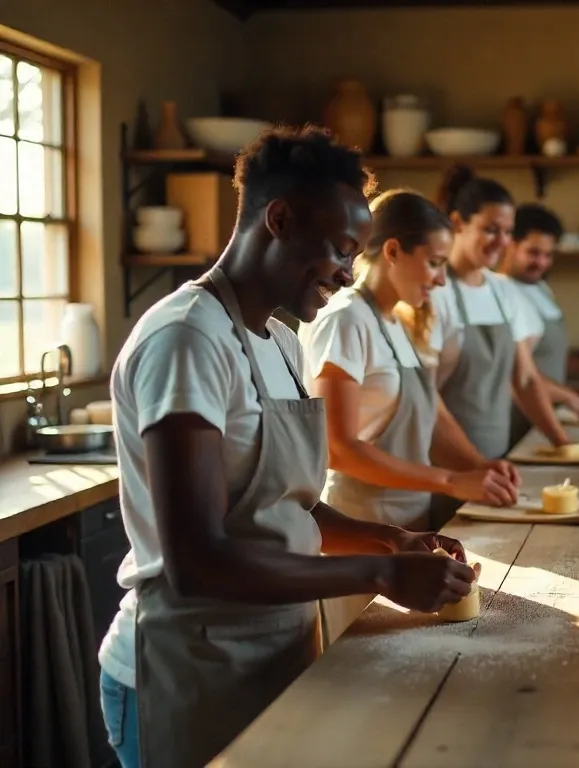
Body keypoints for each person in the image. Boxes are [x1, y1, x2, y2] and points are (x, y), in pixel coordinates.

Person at [96, 127, 477, 768]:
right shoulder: (188, 338)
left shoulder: (278, 339)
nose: (348, 273)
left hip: (273, 651)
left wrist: (386, 539)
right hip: (189, 667)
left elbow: (283, 506)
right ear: (278, 220)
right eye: (339, 249)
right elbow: (197, 560)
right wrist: (382, 574)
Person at [299, 189, 522, 645]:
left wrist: (477, 465)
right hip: (360, 534)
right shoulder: (345, 321)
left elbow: (432, 413)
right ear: (394, 251)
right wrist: (448, 481)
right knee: (361, 673)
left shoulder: (394, 322)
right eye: (436, 262)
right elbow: (337, 448)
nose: (442, 280)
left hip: (408, 530)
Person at [430, 166, 579, 459]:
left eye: (507, 232)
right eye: (490, 229)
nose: (501, 242)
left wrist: (564, 443)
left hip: (497, 455)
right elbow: (426, 398)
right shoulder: (433, 291)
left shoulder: (502, 292)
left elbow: (526, 380)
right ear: (457, 223)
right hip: (443, 458)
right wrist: (474, 465)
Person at [496, 203, 579, 444]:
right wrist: (567, 396)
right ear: (509, 245)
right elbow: (510, 372)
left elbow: (548, 353)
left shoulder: (540, 289)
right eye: (533, 253)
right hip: (517, 425)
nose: (542, 263)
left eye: (548, 254)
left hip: (548, 424)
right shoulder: (500, 293)